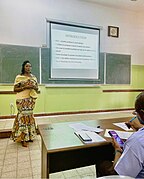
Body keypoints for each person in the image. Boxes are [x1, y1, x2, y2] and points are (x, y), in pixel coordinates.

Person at [96, 92, 144, 178]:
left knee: (102, 163)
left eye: (136, 113)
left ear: (142, 113)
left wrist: (118, 150)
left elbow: (120, 175)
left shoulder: (137, 142)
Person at [11, 60, 38, 147]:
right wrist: (25, 87)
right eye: (26, 66)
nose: (28, 68)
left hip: (30, 99)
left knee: (29, 117)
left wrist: (34, 87)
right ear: (23, 67)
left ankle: (29, 136)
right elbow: (15, 89)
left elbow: (37, 89)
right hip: (21, 99)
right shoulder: (19, 77)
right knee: (22, 117)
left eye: (30, 66)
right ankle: (22, 138)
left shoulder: (33, 77)